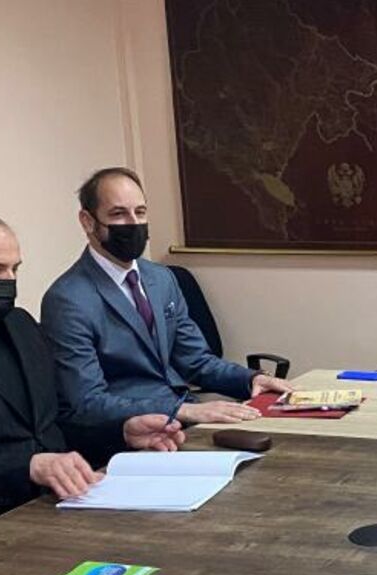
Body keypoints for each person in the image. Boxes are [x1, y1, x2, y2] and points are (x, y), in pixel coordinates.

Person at [0, 206, 185, 531]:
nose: (9, 281)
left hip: (61, 506)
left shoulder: (20, 326)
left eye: (15, 269)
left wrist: (122, 431)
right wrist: (26, 468)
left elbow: (55, 422)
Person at [40, 167, 293, 427]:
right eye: (118, 214)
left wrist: (250, 379)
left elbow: (195, 360)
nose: (133, 223)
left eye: (140, 212)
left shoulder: (161, 278)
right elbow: (87, 402)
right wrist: (181, 410)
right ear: (87, 221)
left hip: (184, 415)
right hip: (133, 431)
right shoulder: (68, 300)